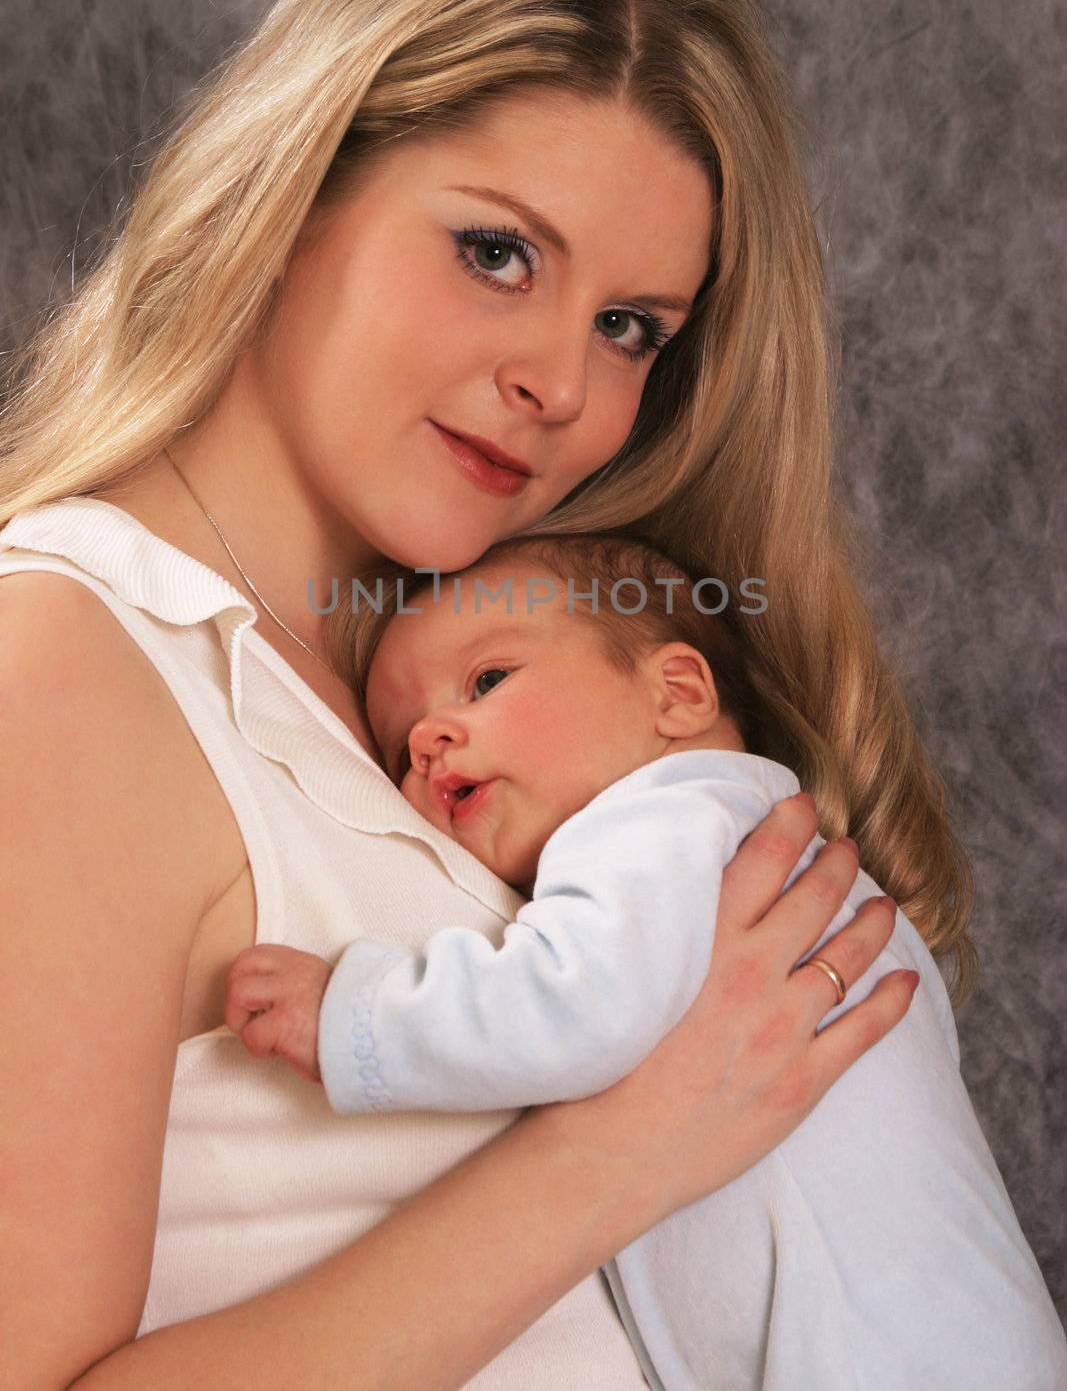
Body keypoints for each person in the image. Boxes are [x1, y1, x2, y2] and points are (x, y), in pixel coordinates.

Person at [2, 0, 978, 1388]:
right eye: (498, 254)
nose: (563, 387)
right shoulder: (62, 658)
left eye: (629, 328)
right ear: (289, 194)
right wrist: (616, 1152)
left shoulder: (430, 687)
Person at [225, 531, 1067, 1390]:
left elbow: (578, 1008)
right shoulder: (769, 852)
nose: (433, 739)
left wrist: (354, 1015)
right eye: (402, 750)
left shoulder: (664, 817)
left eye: (486, 681)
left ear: (675, 692)